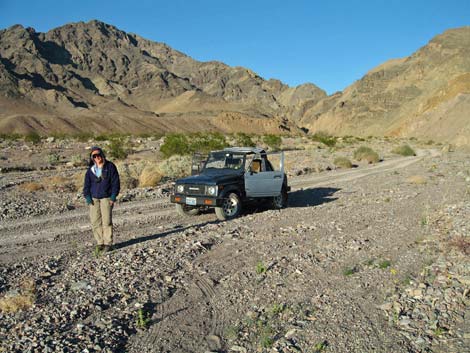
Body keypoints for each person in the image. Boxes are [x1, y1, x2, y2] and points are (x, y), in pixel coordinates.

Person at [83, 146, 120, 253]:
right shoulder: (90, 170)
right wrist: (88, 198)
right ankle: (100, 243)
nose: (97, 157)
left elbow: (115, 183)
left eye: (99, 155)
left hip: (106, 198)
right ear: (92, 158)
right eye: (94, 156)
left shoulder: (110, 166)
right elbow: (86, 185)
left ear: (102, 155)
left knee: (107, 221)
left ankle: (108, 243)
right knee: (95, 221)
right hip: (94, 199)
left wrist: (113, 197)